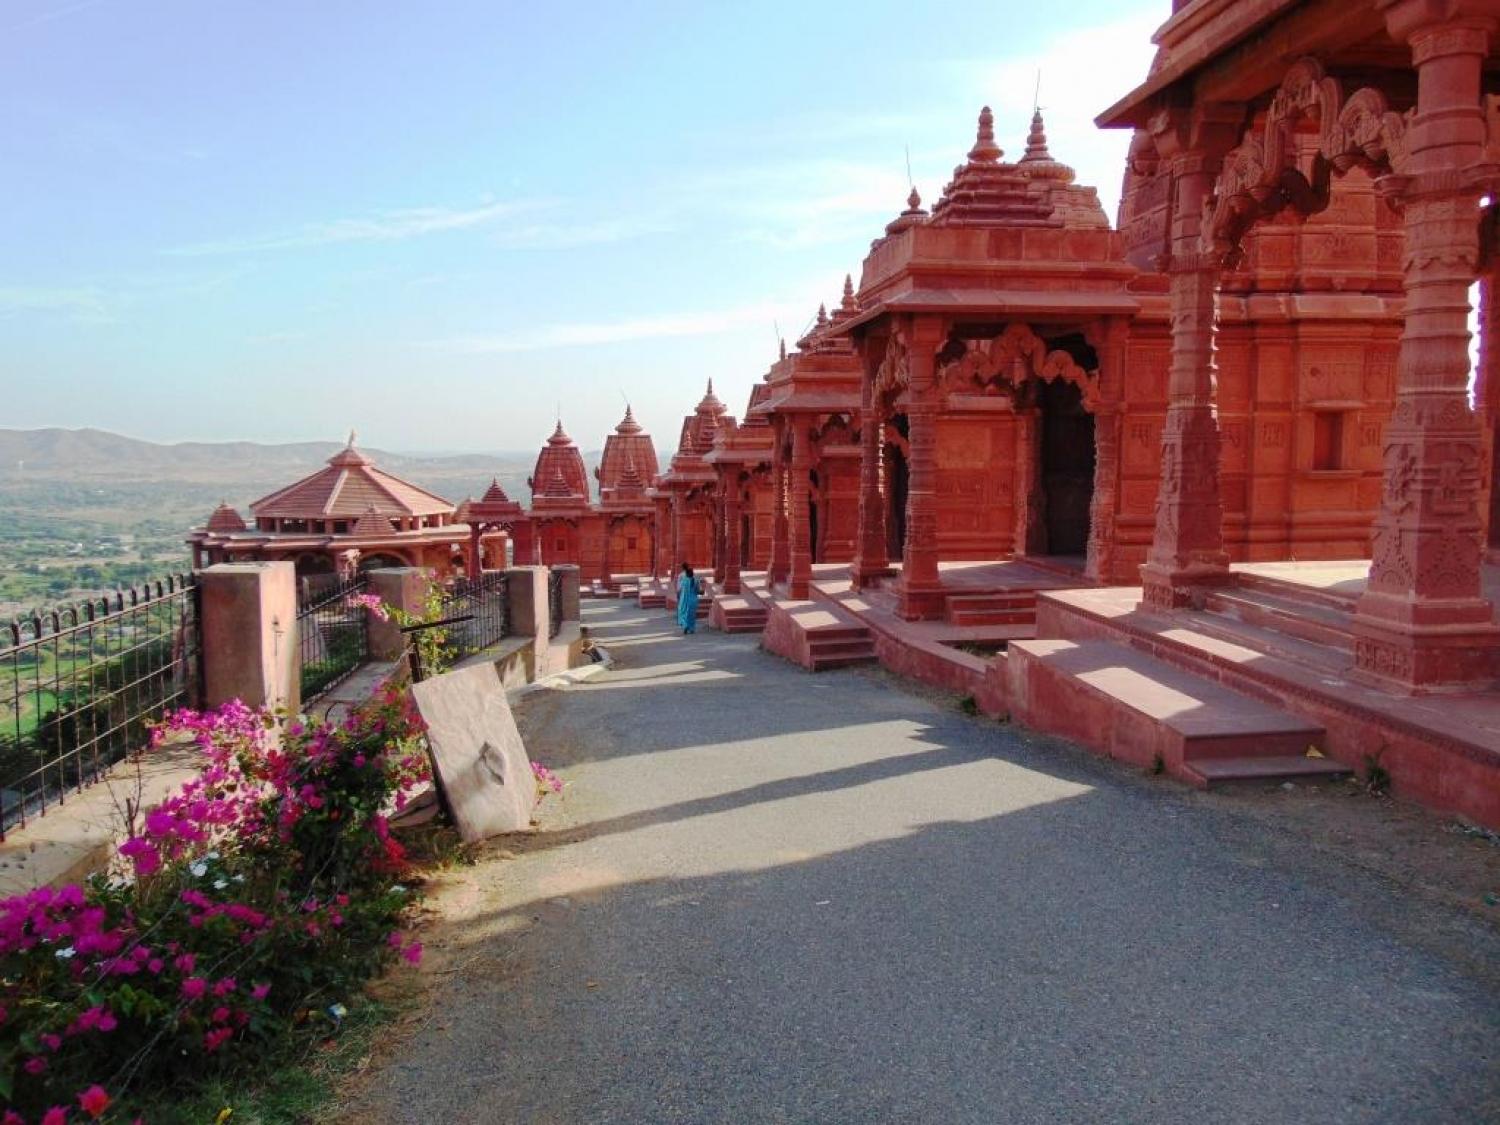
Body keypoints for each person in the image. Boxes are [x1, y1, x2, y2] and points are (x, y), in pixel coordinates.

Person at [676, 562, 699, 635]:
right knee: (692, 614)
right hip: (693, 599)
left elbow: (679, 589)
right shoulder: (696, 580)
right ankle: (691, 628)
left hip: (684, 599)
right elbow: (697, 590)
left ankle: (685, 626)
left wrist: (678, 595)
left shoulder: (684, 580)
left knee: (684, 612)